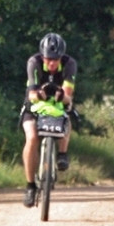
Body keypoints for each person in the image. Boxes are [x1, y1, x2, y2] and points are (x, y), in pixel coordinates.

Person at [20, 32, 76, 207]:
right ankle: (30, 186)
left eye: (55, 59)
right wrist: (41, 93)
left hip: (58, 107)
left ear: (61, 57)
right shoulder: (34, 62)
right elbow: (32, 94)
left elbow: (68, 97)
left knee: (67, 116)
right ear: (42, 56)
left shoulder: (69, 64)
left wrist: (60, 96)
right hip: (34, 107)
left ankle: (62, 153)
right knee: (32, 137)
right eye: (48, 59)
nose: (51, 63)